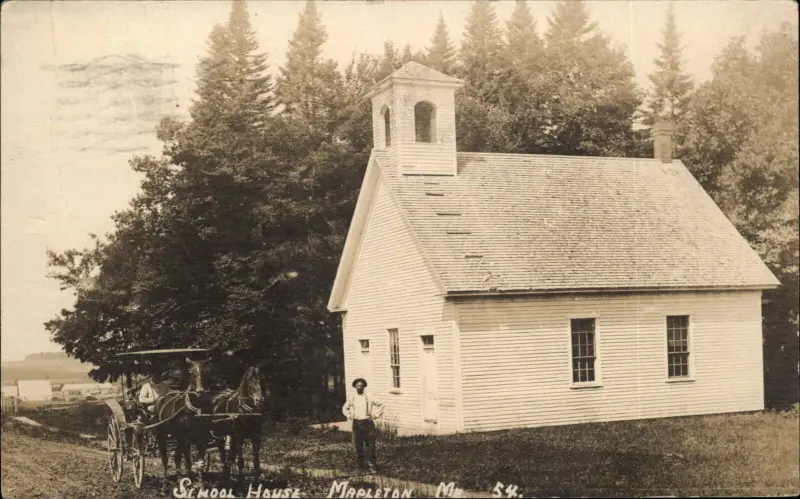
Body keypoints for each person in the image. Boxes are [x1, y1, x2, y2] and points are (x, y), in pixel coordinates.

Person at [342, 378, 385, 474]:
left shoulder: (369, 396)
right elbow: (345, 408)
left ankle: (372, 467)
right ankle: (360, 467)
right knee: (358, 446)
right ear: (355, 387)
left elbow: (381, 404)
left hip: (368, 423)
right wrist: (349, 415)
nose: (359, 387)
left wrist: (375, 415)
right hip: (357, 423)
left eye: (361, 385)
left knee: (371, 446)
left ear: (364, 386)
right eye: (358, 386)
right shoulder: (352, 397)